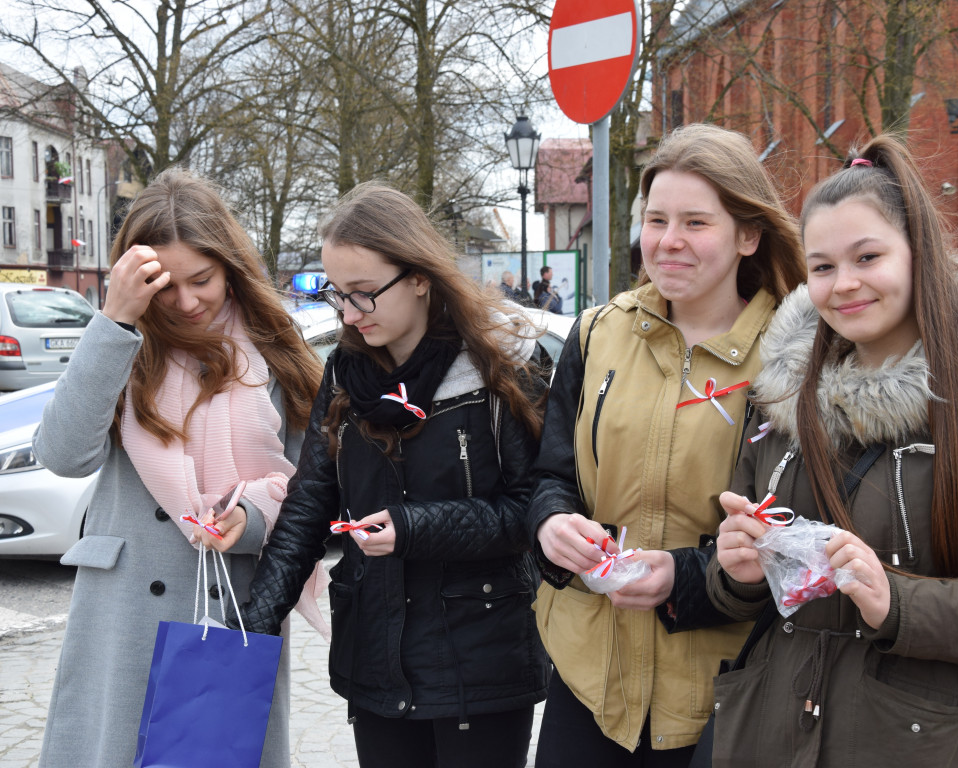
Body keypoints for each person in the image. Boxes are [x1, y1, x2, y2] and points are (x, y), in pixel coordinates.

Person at [708, 135, 958, 766]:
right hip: (773, 732)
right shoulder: (780, 397)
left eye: (868, 257)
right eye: (822, 266)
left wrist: (896, 601)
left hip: (916, 740)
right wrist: (735, 570)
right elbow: (740, 590)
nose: (843, 285)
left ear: (918, 257)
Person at [235, 182, 551, 768]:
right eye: (337, 295)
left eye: (363, 294)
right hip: (374, 655)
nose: (349, 315)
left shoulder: (503, 363)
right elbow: (309, 504)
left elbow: (534, 508)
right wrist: (253, 623)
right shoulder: (344, 371)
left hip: (481, 656)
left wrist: (414, 528)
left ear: (420, 277)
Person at [527, 122, 805, 765]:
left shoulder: (794, 355)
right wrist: (550, 525)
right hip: (588, 679)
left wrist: (680, 577)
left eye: (695, 223)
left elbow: (799, 529)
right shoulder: (596, 334)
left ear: (748, 235)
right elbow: (550, 475)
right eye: (656, 220)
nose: (669, 241)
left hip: (724, 686)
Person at [34, 168, 324, 767]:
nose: (187, 302)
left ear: (230, 268)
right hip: (123, 615)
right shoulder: (122, 345)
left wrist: (252, 514)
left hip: (230, 608)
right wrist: (113, 321)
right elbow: (63, 454)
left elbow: (313, 487)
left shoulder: (274, 348)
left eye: (203, 280)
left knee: (215, 754)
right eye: (166, 285)